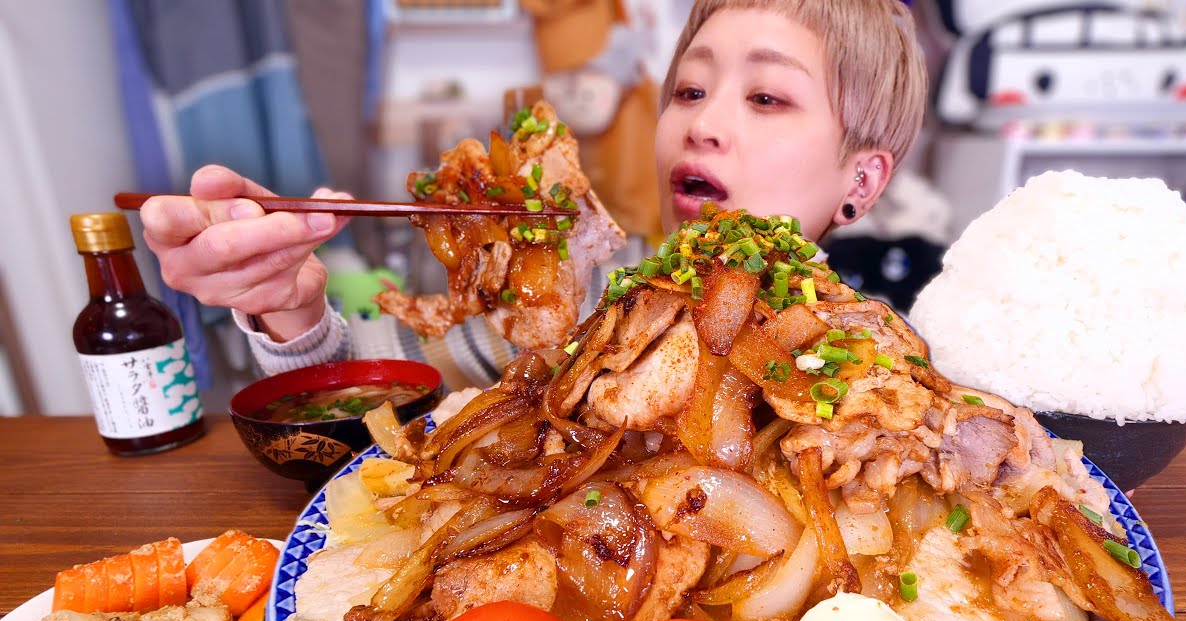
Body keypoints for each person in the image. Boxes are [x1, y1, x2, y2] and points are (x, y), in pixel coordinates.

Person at [140, 0, 927, 389]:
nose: (702, 126)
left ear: (861, 181)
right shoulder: (580, 304)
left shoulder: (884, 361)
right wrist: (288, 305)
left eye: (766, 99)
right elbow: (363, 388)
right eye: (687, 91)